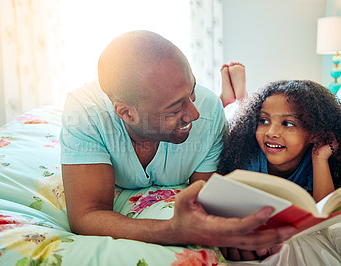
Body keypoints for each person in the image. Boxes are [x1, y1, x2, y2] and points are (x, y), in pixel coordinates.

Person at [60, 30, 296, 260]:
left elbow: (207, 201)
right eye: (174, 108)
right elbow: (87, 214)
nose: (194, 113)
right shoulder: (85, 114)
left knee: (234, 115)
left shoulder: (209, 110)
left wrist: (229, 233)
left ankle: (233, 98)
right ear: (126, 113)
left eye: (191, 92)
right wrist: (170, 231)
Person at [218, 80, 341, 202]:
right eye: (263, 120)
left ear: (315, 133)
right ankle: (235, 97)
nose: (271, 133)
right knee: (231, 114)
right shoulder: (247, 159)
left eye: (288, 124)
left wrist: (320, 158)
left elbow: (324, 210)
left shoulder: (314, 161)